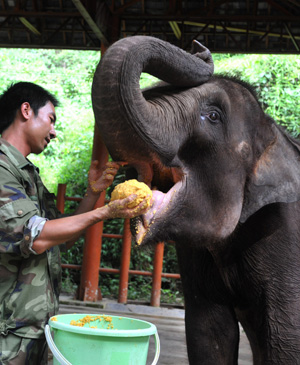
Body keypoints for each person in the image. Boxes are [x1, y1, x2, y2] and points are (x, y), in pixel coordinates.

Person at [0, 82, 149, 364]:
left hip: (34, 331)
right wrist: (105, 212)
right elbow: (38, 237)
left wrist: (93, 194)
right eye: (51, 119)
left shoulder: (27, 173)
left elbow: (61, 236)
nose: (54, 132)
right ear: (26, 111)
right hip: (7, 336)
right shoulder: (2, 170)